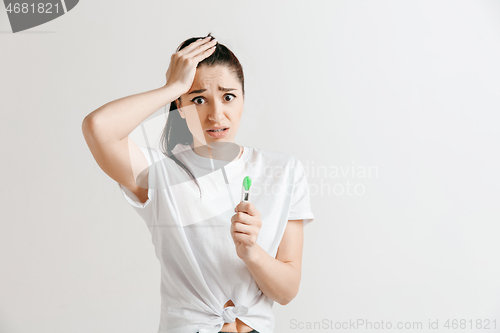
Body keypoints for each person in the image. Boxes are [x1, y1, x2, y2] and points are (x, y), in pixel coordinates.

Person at [82, 33, 314, 333]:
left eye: (228, 96)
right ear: (180, 105)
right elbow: (98, 127)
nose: (216, 115)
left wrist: (251, 252)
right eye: (198, 99)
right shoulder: (160, 173)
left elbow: (286, 292)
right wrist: (173, 86)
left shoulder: (283, 171)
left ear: (243, 97)